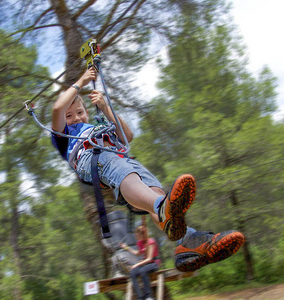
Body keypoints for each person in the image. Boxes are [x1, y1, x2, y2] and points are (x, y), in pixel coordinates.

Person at [51, 67, 244, 274]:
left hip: (119, 158)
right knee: (139, 185)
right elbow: (57, 109)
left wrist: (105, 107)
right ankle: (163, 209)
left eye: (80, 112)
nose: (76, 118)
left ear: (87, 112)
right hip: (92, 159)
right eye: (69, 116)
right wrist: (82, 80)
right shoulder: (64, 134)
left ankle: (188, 242)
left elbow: (127, 135)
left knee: (153, 191)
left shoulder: (95, 127)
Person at [120, 224, 161, 300]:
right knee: (132, 273)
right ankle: (140, 297)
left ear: (141, 235)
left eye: (137, 235)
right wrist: (126, 247)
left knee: (143, 271)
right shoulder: (140, 243)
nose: (136, 237)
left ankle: (148, 296)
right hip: (145, 264)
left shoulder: (150, 242)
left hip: (153, 263)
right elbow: (137, 253)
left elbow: (149, 258)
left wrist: (136, 265)